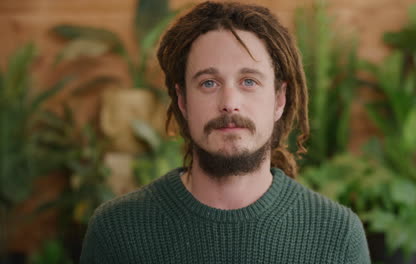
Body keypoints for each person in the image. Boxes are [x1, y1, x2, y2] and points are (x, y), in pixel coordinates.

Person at [80, 1, 371, 263]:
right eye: (209, 83)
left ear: (280, 99)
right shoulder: (117, 232)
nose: (229, 103)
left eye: (248, 81)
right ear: (182, 101)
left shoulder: (337, 236)